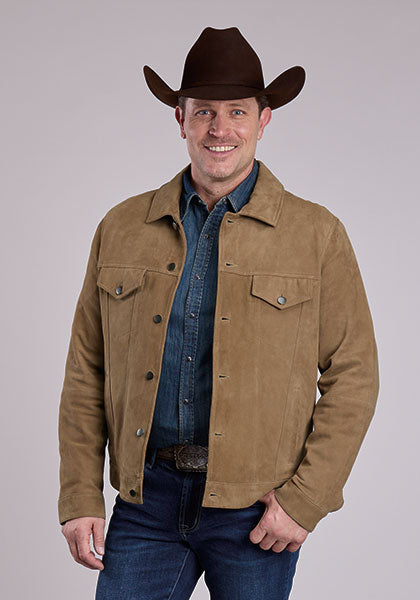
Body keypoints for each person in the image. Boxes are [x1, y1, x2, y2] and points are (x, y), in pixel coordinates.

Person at [58, 26, 380, 599]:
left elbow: (354, 374)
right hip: (145, 503)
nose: (220, 129)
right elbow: (88, 369)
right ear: (180, 119)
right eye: (204, 111)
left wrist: (305, 500)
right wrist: (80, 493)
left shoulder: (316, 234)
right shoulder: (122, 227)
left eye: (237, 111)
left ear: (263, 120)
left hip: (256, 511)